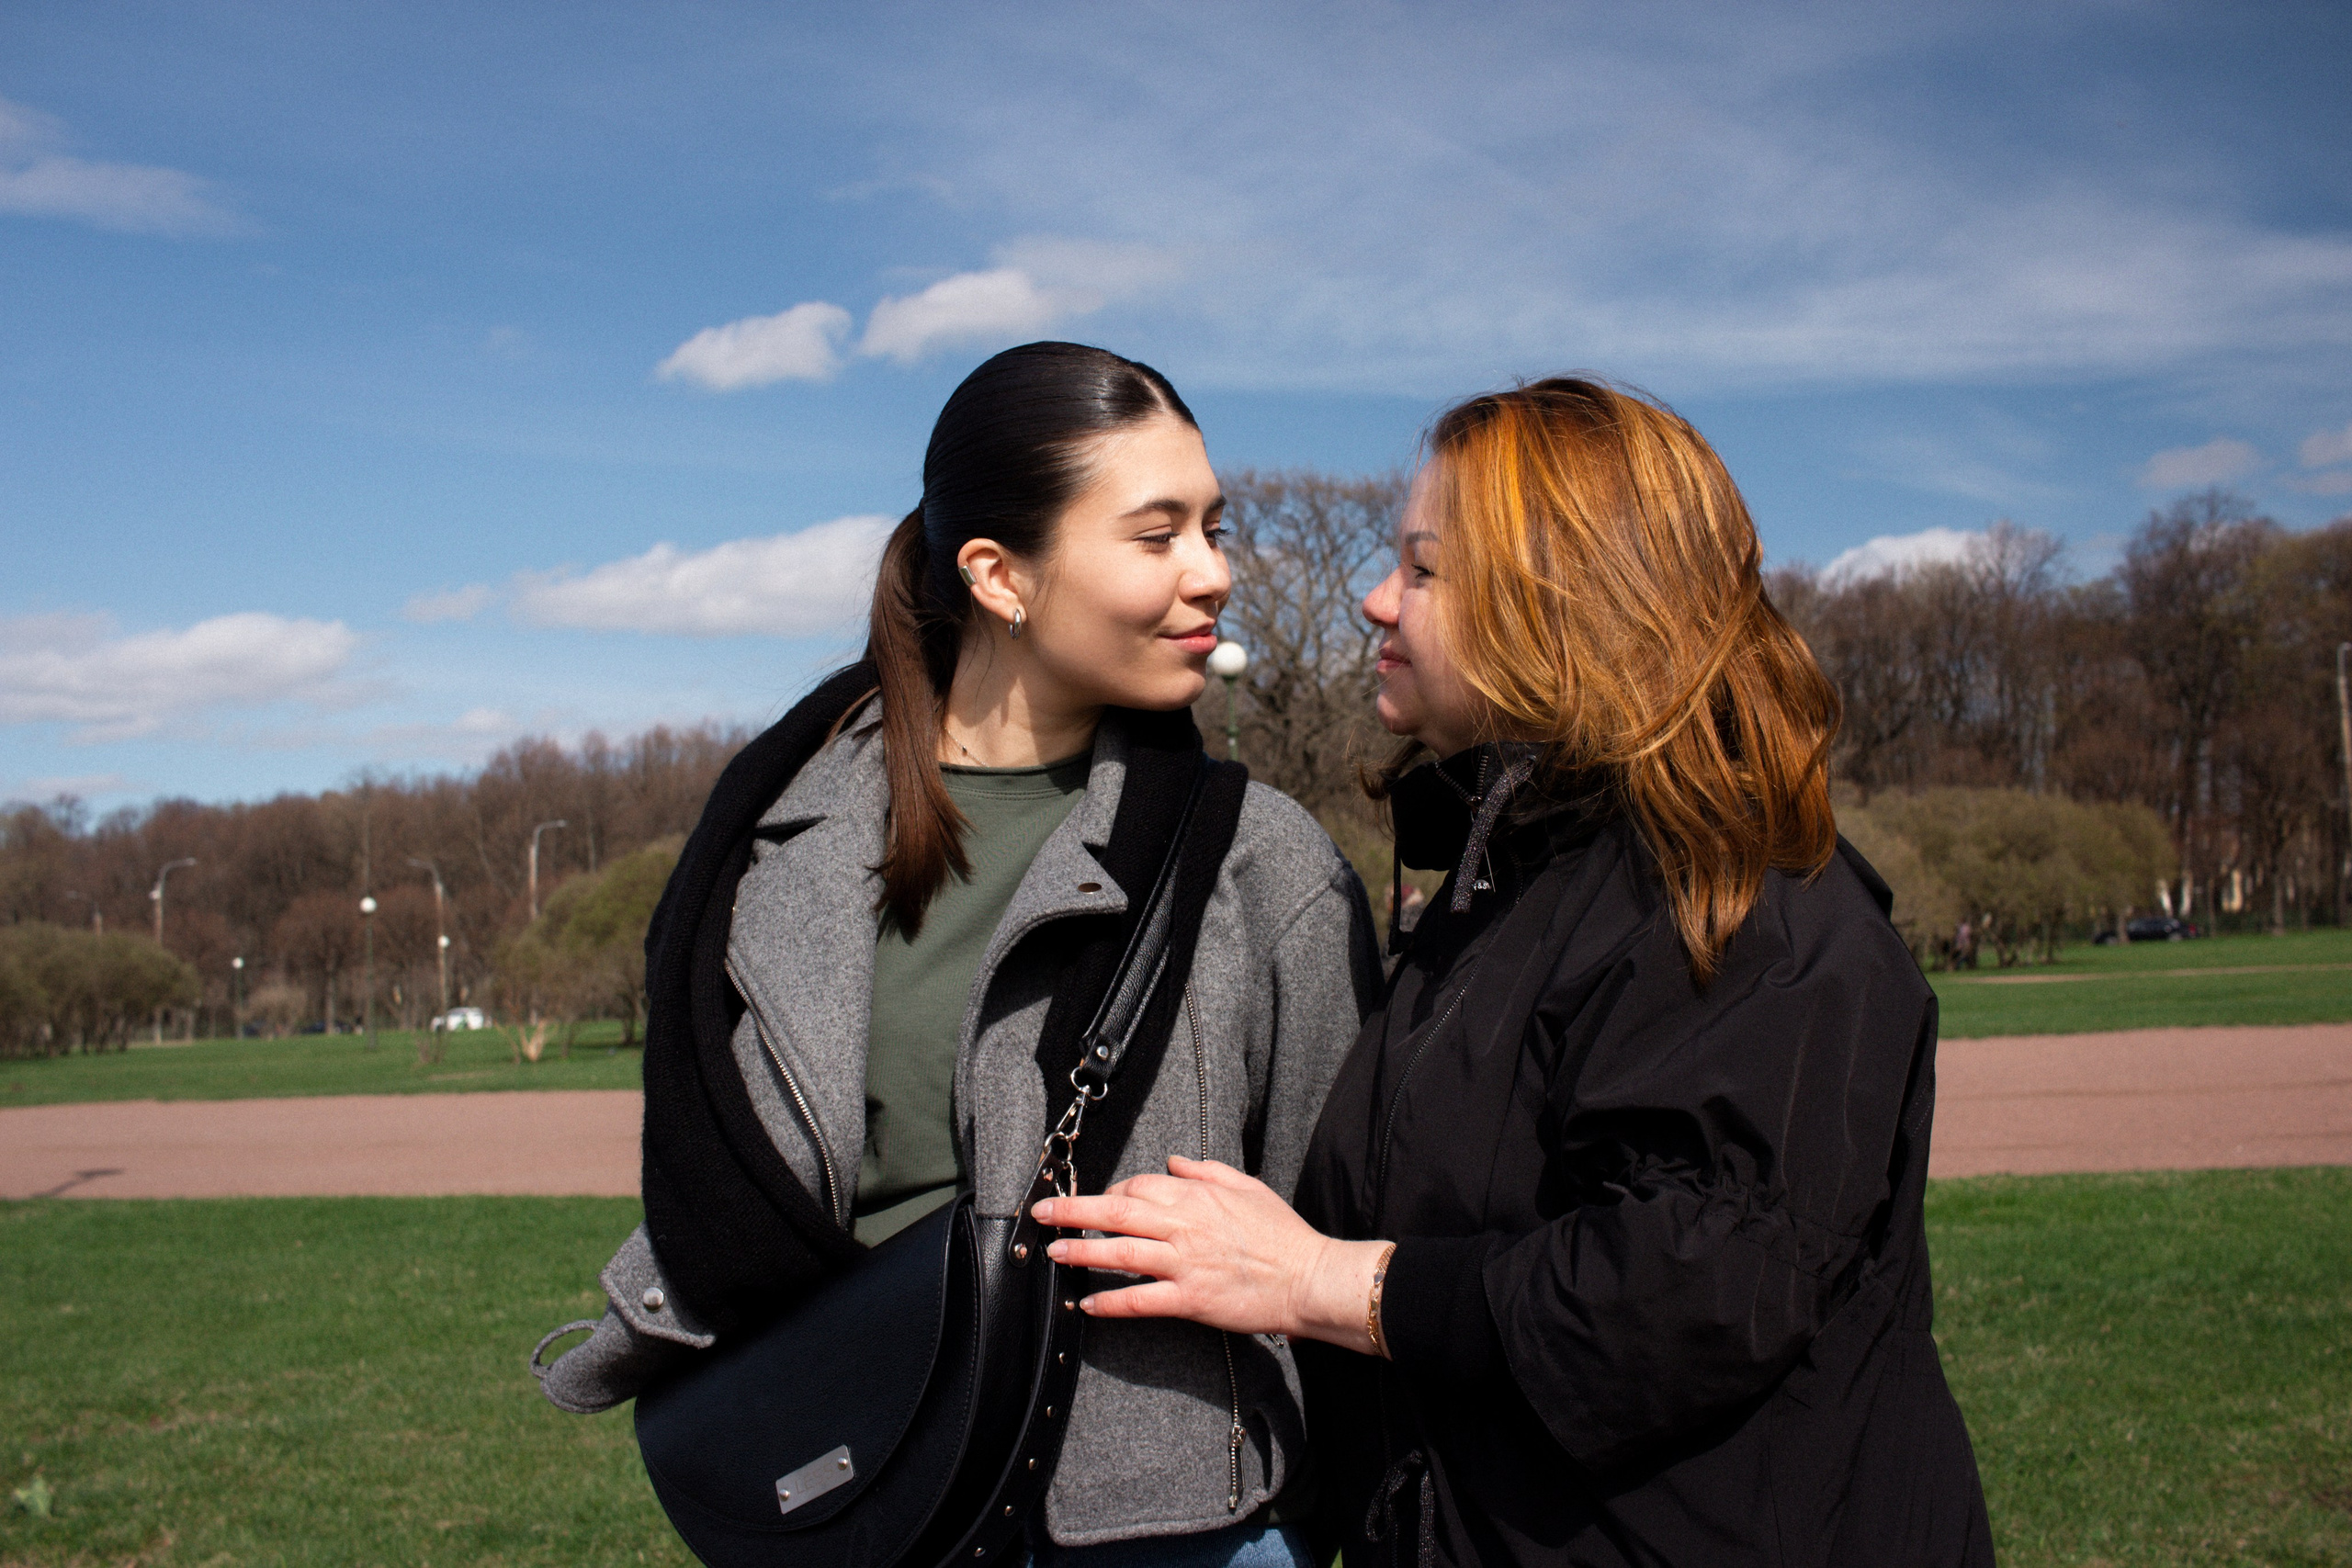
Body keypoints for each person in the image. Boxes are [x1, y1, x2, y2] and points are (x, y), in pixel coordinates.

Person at [1035, 378, 1995, 1567]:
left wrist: (1317, 1281)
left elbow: (1690, 1292)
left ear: (1569, 604)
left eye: (1426, 570)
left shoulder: (1745, 900)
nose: (1378, 599)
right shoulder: (1512, 887)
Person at [534, 342, 1381, 1565]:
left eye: (1215, 528)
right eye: (1157, 536)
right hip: (863, 1497)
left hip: (1173, 1532)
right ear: (997, 575)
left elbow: (1336, 1222)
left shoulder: (1264, 863)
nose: (1214, 573)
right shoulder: (774, 841)